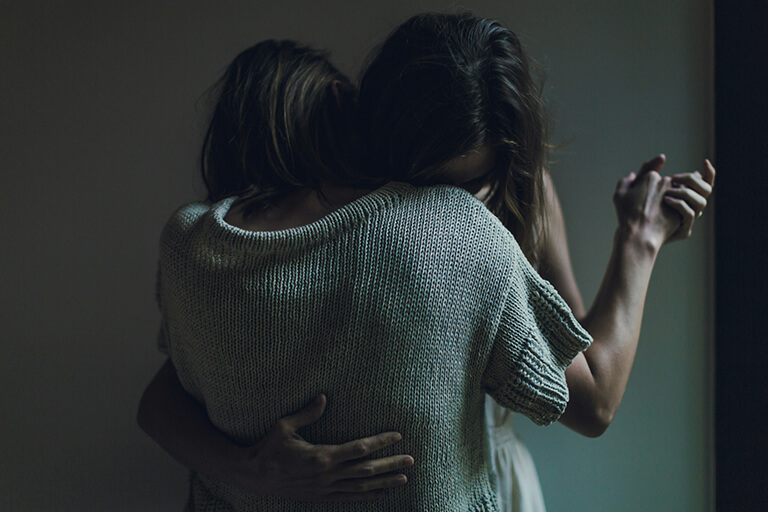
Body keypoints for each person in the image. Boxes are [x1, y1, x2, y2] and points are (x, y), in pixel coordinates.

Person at [138, 13, 714, 511]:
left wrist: (633, 236)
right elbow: (171, 391)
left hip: (483, 468)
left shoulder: (508, 201)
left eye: (463, 187)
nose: (436, 202)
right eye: (425, 180)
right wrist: (640, 239)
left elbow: (583, 372)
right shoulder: (445, 232)